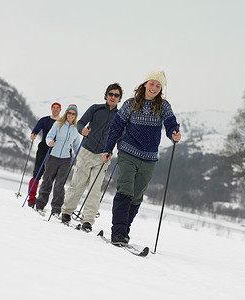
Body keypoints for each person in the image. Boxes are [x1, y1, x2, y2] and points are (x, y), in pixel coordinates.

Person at [102, 70, 181, 245]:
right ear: (145, 84)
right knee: (125, 190)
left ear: (161, 89)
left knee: (137, 196)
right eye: (152, 83)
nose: (154, 88)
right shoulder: (131, 104)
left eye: (158, 85)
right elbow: (116, 127)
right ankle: (118, 232)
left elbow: (170, 124)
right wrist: (108, 149)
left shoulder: (163, 106)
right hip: (128, 152)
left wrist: (173, 133)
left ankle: (125, 230)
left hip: (149, 157)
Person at [61, 83, 123, 232]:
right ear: (106, 95)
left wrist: (121, 151)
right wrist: (82, 130)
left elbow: (121, 136)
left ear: (120, 98)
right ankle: (66, 212)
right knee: (78, 184)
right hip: (86, 150)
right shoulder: (95, 108)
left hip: (103, 156)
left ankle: (88, 220)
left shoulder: (121, 116)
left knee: (95, 189)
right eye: (111, 94)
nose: (113, 97)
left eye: (116, 95)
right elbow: (81, 122)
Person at [35, 105, 81, 217]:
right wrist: (50, 142)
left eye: (73, 114)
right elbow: (49, 136)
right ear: (66, 114)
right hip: (53, 156)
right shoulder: (58, 124)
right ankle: (40, 205)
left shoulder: (75, 129)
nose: (70, 115)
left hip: (66, 159)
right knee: (47, 180)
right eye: (69, 113)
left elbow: (76, 145)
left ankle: (56, 209)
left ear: (75, 116)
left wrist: (79, 155)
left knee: (60, 185)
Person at [27, 102, 61, 208]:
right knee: (37, 173)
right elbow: (36, 130)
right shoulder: (44, 120)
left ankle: (42, 200)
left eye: (57, 108)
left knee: (49, 176)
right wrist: (33, 134)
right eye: (54, 107)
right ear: (51, 109)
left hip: (55, 150)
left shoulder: (61, 122)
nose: (55, 109)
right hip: (43, 148)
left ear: (60, 110)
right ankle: (31, 199)